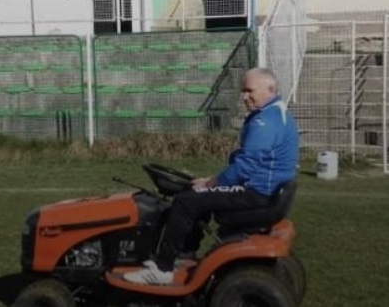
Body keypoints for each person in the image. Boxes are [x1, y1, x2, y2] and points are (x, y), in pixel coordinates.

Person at [124, 67, 300, 285]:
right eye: (243, 91)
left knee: (184, 202)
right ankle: (185, 253)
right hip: (266, 189)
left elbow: (245, 167)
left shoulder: (265, 121)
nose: (244, 97)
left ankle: (162, 268)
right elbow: (251, 164)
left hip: (258, 192)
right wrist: (210, 183)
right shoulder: (278, 113)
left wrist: (210, 183)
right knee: (195, 193)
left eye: (250, 91)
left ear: (270, 89)